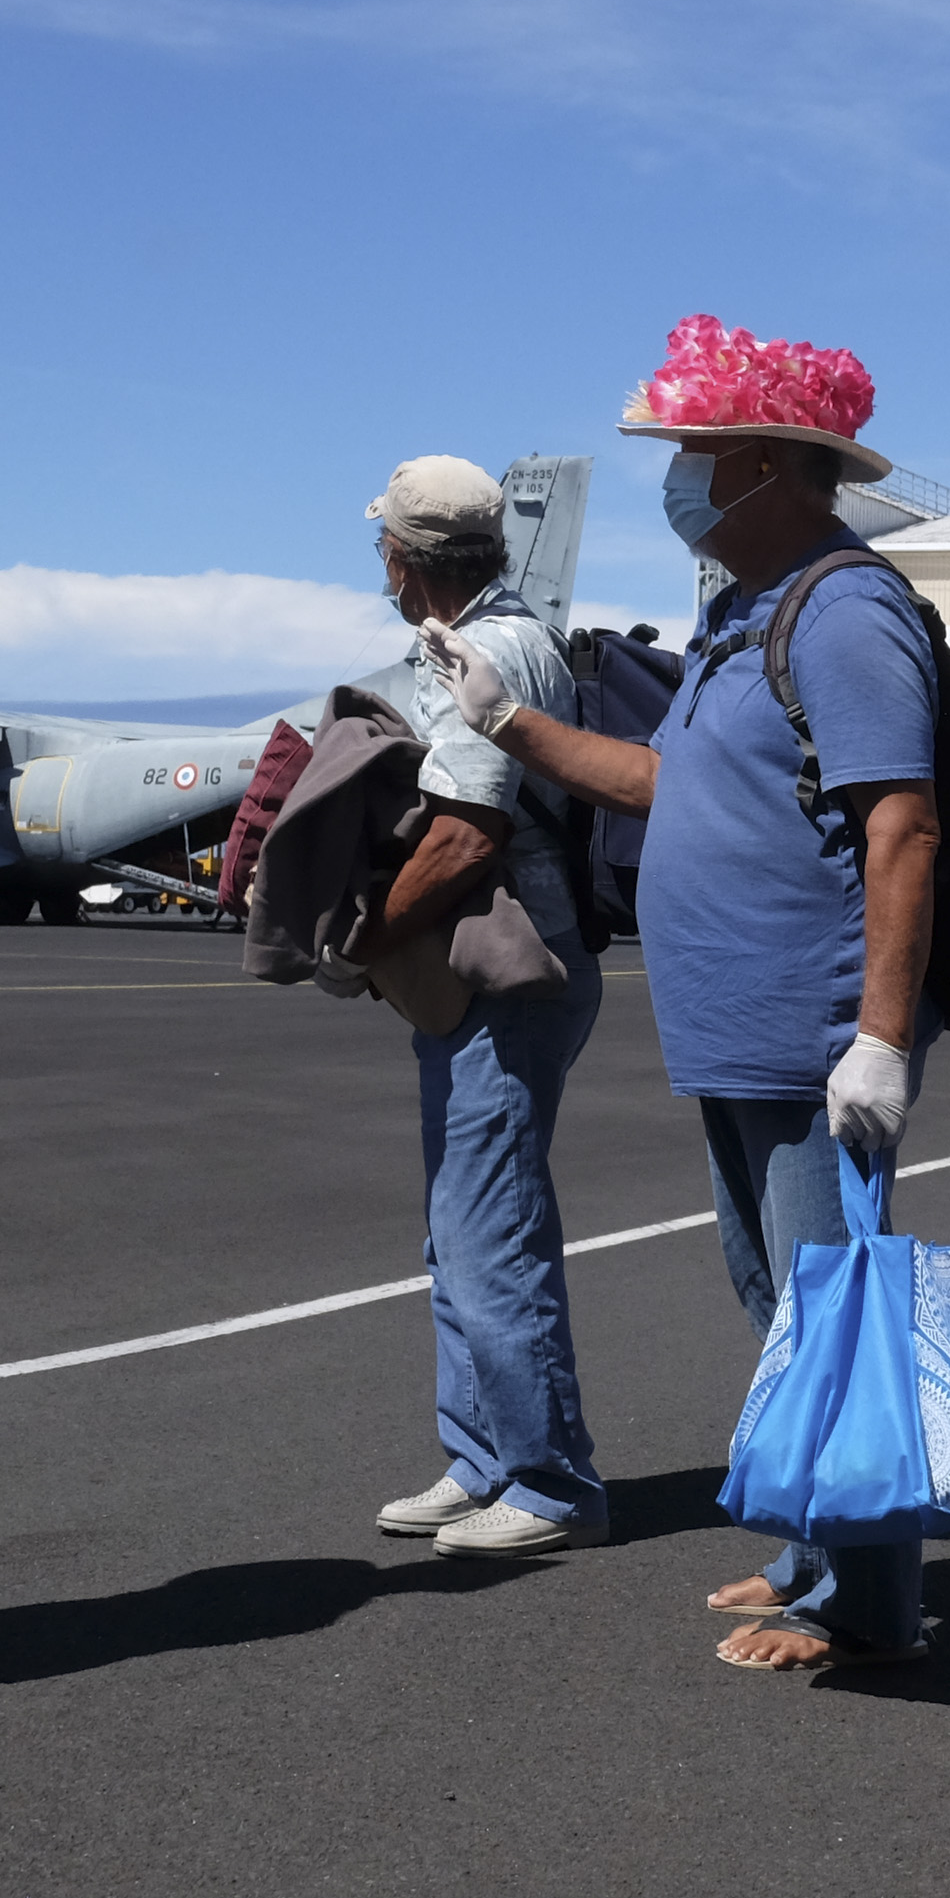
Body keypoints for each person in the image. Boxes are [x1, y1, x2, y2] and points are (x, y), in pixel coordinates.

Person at [414, 315, 941, 1674]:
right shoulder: (743, 613)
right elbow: (668, 782)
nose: (681, 480)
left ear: (768, 464)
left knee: (827, 1308)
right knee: (776, 1297)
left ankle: (862, 1607)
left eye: (699, 455)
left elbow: (903, 824)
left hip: (817, 1031)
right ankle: (810, 1552)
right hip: (741, 1029)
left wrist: (880, 1038)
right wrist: (507, 721)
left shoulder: (845, 606)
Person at [360, 456, 612, 1559]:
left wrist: (359, 935)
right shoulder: (482, 636)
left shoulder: (492, 648)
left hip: (515, 969)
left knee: (490, 1225)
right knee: (460, 1223)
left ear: (402, 560)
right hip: (487, 970)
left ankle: (550, 1481)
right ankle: (483, 1459)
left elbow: (468, 831)